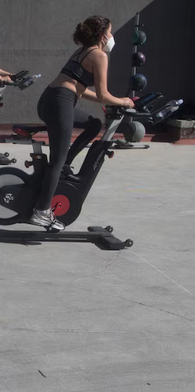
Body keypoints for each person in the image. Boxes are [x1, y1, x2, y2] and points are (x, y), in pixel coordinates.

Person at [30, 15, 135, 231]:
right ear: (102, 35)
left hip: (51, 99)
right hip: (60, 102)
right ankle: (41, 211)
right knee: (57, 160)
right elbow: (103, 94)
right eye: (110, 32)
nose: (112, 36)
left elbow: (80, 89)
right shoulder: (99, 55)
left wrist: (112, 101)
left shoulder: (82, 51)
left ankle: (65, 165)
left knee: (93, 125)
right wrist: (123, 101)